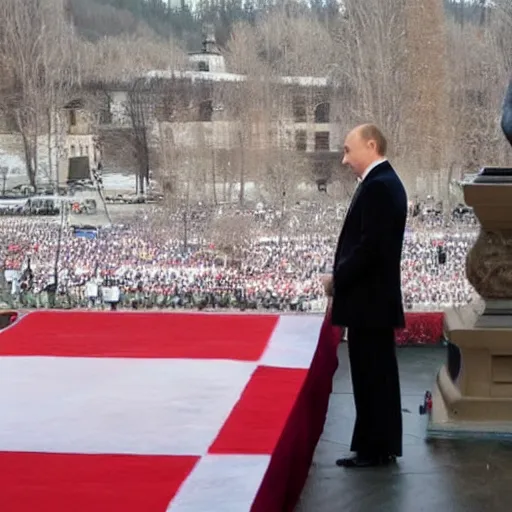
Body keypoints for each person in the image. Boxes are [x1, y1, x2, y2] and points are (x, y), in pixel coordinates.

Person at [322, 124, 407, 468]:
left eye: (348, 150)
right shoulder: (383, 184)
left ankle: (375, 448)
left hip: (369, 304)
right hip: (373, 303)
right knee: (376, 376)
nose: (344, 159)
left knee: (372, 377)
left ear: (370, 146)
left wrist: (337, 278)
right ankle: (376, 444)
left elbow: (369, 249)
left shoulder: (378, 188)